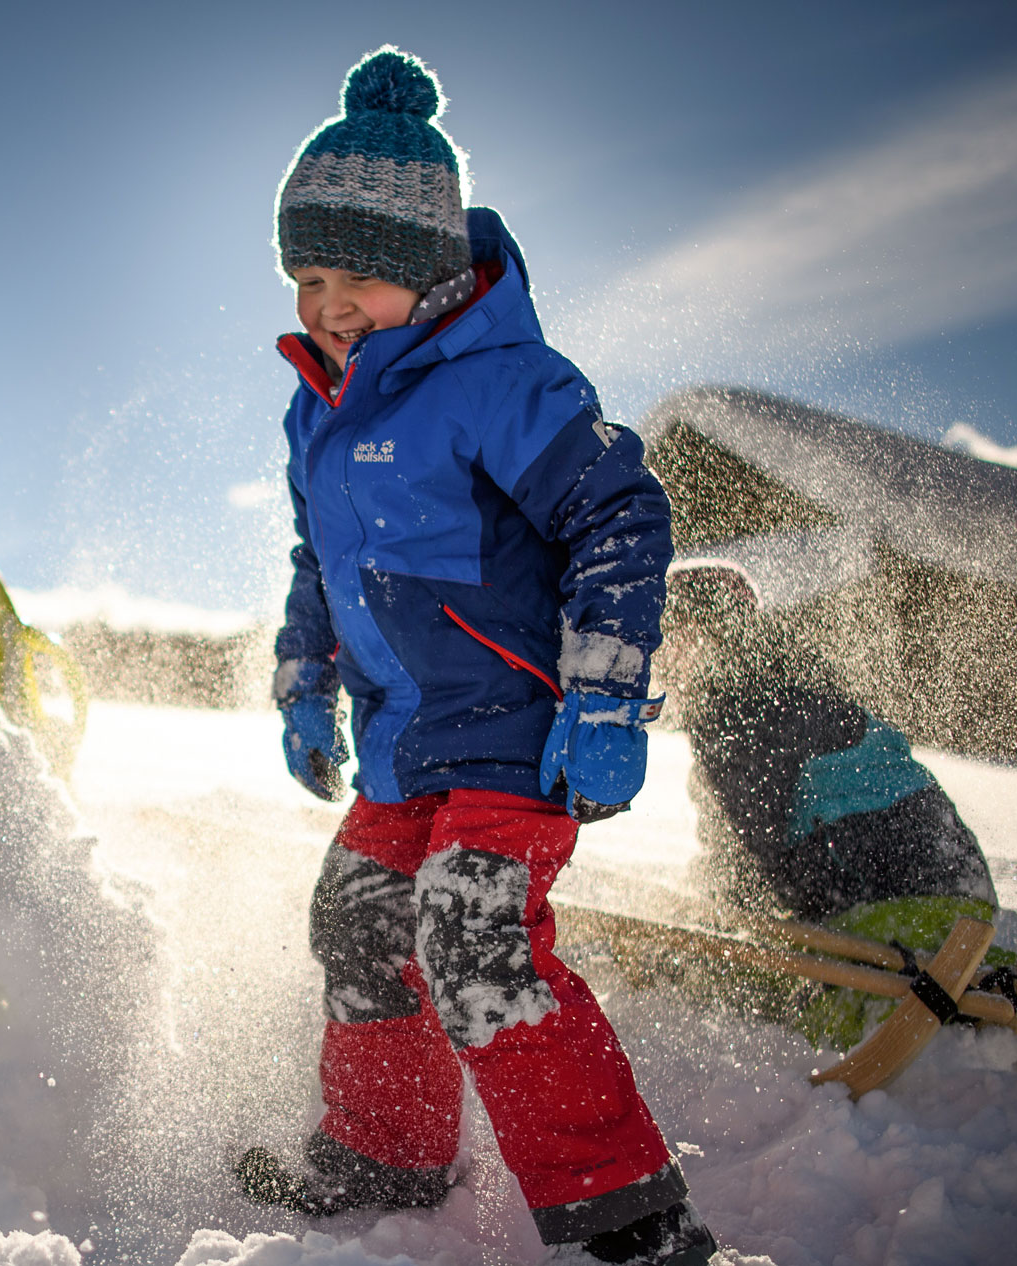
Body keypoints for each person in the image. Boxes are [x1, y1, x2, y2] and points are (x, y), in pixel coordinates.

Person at [236, 48, 714, 1266]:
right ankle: (386, 1156)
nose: (328, 304)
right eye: (307, 276)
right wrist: (306, 680)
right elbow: (316, 559)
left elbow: (619, 514)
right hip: (406, 739)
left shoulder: (506, 383)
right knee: (359, 918)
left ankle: (628, 1219)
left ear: (430, 269)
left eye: (356, 275)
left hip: (515, 729)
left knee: (473, 936)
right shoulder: (317, 408)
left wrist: (605, 693)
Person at [658, 559, 1017, 1103]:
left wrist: (713, 928)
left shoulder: (735, 706)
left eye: (666, 638)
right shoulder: (790, 681)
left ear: (700, 634)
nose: (660, 659)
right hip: (951, 876)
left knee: (824, 1003)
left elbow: (759, 853)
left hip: (885, 885)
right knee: (930, 967)